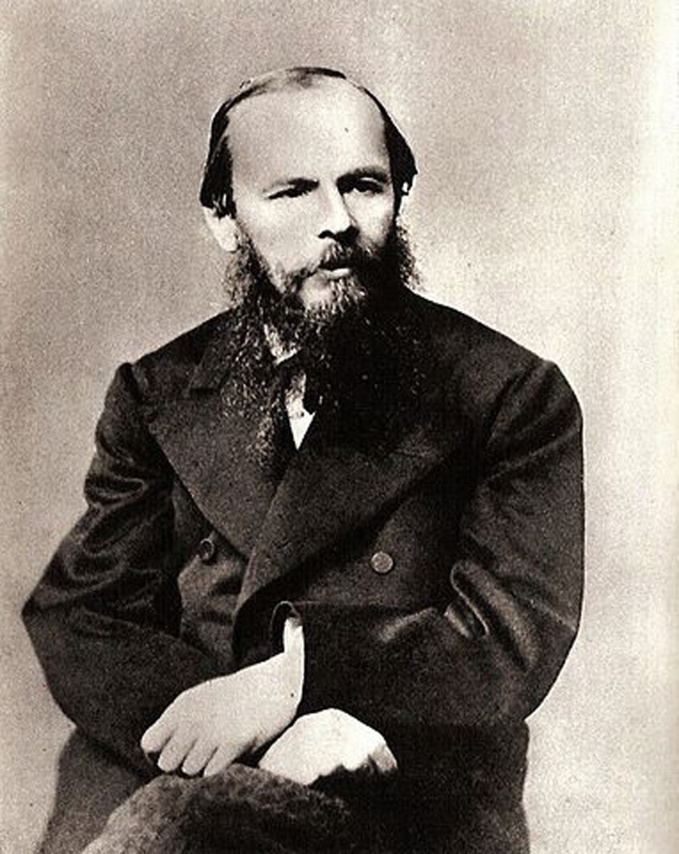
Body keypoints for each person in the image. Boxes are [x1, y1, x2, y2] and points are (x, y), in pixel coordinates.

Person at [23, 66, 584, 853]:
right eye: (292, 192)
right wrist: (249, 728)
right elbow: (82, 615)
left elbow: (506, 643)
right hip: (172, 767)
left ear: (399, 195)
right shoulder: (156, 391)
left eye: (362, 186)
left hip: (396, 788)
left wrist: (295, 680)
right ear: (225, 219)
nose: (338, 222)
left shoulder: (508, 393)